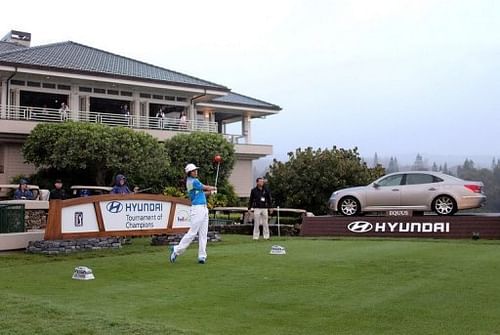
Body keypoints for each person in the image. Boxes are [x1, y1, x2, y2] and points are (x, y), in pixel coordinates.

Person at [170, 163, 216, 264]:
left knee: (203, 234)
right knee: (193, 232)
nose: (196, 172)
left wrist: (211, 192)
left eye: (196, 170)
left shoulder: (195, 181)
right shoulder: (192, 181)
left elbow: (201, 193)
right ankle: (176, 250)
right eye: (193, 171)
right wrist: (212, 187)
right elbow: (204, 187)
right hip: (197, 209)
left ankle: (202, 256)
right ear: (189, 173)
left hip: (204, 208)